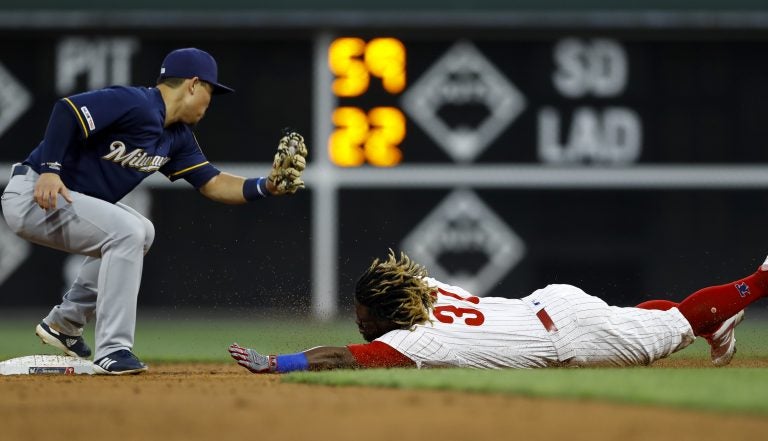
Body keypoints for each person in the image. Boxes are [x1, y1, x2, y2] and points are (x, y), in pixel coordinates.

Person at [1, 47, 308, 375]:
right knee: (126, 232)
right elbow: (67, 110)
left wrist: (267, 186)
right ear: (192, 84)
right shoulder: (135, 102)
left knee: (142, 231)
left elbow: (213, 183)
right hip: (35, 193)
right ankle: (113, 349)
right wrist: (50, 169)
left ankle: (64, 324)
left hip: (68, 200)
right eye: (209, 91)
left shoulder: (177, 137)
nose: (209, 102)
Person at [229, 250, 764, 373]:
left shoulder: (416, 341)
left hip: (569, 339)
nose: (359, 320)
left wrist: (278, 363)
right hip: (553, 305)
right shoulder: (426, 289)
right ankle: (713, 319)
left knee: (679, 323)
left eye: (365, 313)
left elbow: (341, 359)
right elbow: (396, 282)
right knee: (643, 319)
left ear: (389, 314)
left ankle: (760, 278)